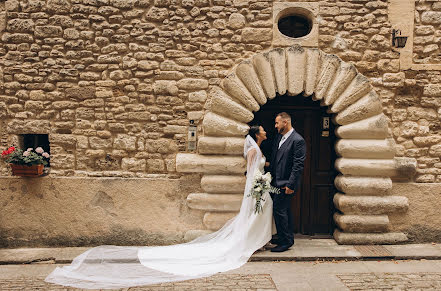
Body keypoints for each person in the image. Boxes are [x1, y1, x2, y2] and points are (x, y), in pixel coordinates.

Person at [45, 125, 274, 289]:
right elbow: (252, 171)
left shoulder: (256, 146)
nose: (266, 131)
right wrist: (260, 183)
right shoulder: (253, 149)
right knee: (255, 216)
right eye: (263, 130)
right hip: (258, 188)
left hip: (260, 187)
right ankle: (252, 242)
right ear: (256, 134)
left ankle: (257, 241)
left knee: (257, 216)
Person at [269, 112, 306, 253]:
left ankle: (286, 242)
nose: (275, 125)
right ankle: (285, 237)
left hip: (286, 183)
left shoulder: (298, 140)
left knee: (279, 210)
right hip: (275, 182)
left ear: (285, 122)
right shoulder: (279, 137)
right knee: (283, 210)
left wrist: (291, 185)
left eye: (277, 123)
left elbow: (298, 165)